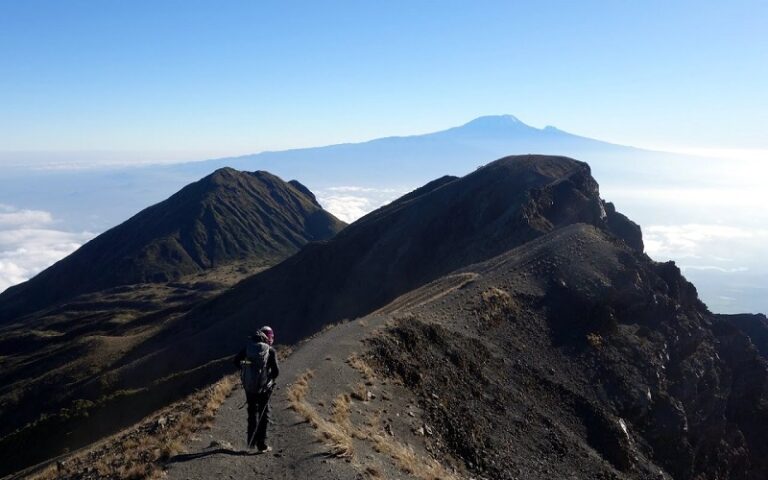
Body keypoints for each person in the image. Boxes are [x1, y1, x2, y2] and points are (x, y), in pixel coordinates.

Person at [234, 325, 279, 451]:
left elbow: (236, 361)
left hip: (250, 388)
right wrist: (269, 379)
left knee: (252, 413)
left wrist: (248, 366)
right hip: (264, 388)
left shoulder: (248, 349)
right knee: (264, 415)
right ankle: (261, 444)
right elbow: (276, 372)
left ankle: (251, 443)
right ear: (269, 338)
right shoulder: (270, 351)